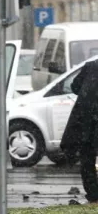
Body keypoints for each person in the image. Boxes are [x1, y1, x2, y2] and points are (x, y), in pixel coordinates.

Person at [61, 58, 98, 204]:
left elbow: (75, 86)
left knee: (87, 158)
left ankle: (94, 193)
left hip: (87, 121)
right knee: (87, 158)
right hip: (90, 120)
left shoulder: (91, 66)